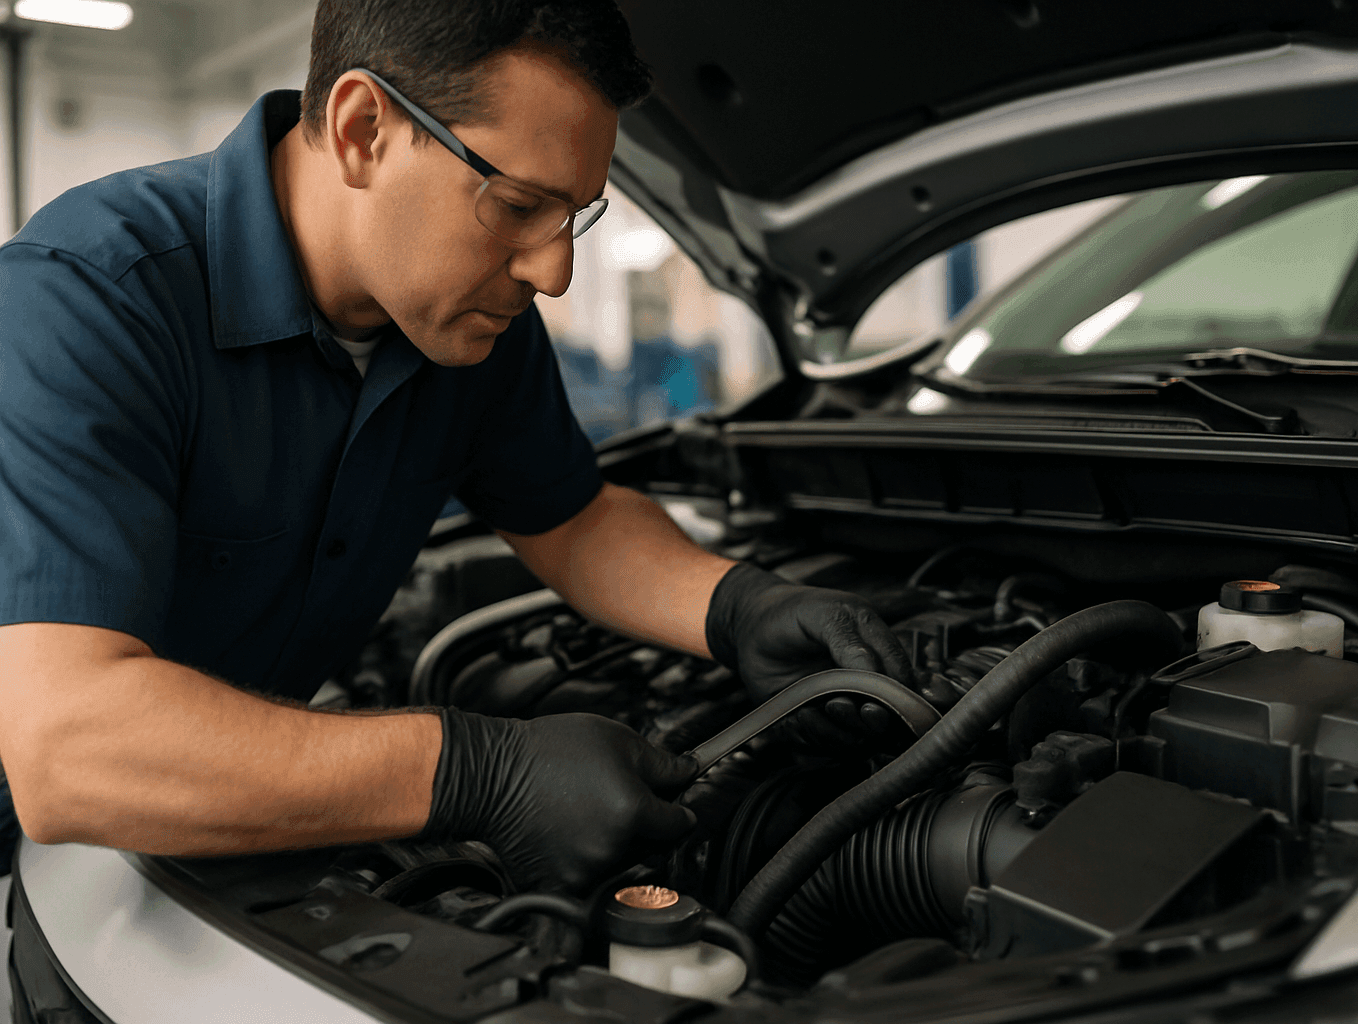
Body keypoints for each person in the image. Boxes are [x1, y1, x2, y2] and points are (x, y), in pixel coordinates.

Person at [0, 0, 914, 1014]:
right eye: (519, 203)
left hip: (209, 830)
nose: (554, 269)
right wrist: (476, 772)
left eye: (574, 215)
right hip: (33, 868)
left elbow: (571, 517)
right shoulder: (90, 300)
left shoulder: (465, 324)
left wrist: (736, 606)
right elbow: (65, 745)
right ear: (362, 130)